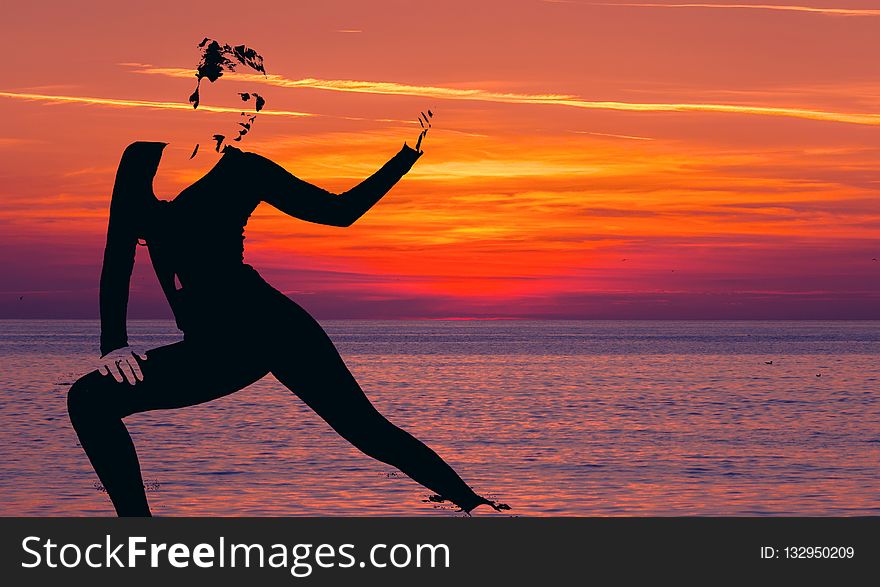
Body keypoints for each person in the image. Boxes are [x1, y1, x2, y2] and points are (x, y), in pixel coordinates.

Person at [66, 45, 508, 517]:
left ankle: (473, 506)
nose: (251, 112)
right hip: (209, 343)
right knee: (90, 400)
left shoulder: (245, 169)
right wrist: (114, 343)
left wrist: (406, 155)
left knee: (365, 428)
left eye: (256, 101)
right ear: (200, 92)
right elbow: (117, 255)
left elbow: (339, 212)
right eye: (241, 98)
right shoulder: (139, 160)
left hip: (270, 326)